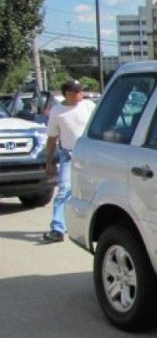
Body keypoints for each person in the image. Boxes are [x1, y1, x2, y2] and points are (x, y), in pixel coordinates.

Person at [42, 80, 95, 243]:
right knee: (64, 189)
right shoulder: (57, 111)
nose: (81, 94)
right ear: (68, 94)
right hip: (68, 155)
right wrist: (49, 161)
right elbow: (52, 139)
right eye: (78, 92)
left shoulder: (88, 106)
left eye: (81, 91)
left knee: (95, 190)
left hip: (90, 154)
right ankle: (57, 228)